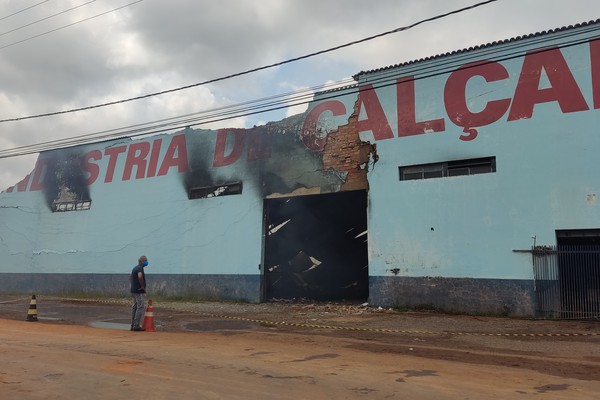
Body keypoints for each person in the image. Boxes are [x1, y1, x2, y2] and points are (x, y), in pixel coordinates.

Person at [129, 255, 148, 331]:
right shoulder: (140, 268)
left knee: (135, 307)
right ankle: (136, 325)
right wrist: (142, 286)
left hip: (133, 290)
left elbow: (130, 277)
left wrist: (133, 285)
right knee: (140, 307)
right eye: (145, 260)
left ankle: (133, 325)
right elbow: (140, 277)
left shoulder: (135, 268)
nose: (147, 262)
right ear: (141, 261)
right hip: (139, 291)